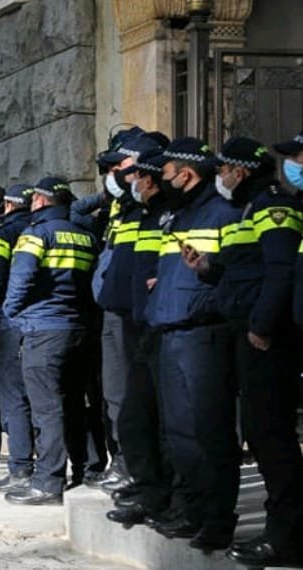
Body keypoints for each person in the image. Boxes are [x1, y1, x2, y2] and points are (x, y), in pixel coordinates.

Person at [181, 137, 303, 566]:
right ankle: (283, 530)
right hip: (247, 333)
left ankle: (286, 535)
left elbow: (281, 271)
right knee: (261, 433)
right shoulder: (248, 210)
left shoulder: (273, 207)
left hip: (265, 339)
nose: (219, 179)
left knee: (272, 437)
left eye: (223, 171)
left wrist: (261, 326)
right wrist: (208, 269)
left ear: (240, 171)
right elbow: (245, 272)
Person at [144, 137, 242, 551]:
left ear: (185, 173)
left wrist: (203, 300)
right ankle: (193, 510)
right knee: (180, 432)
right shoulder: (178, 216)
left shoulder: (225, 214)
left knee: (211, 432)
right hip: (170, 333)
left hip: (204, 335)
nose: (160, 179)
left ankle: (218, 518)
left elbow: (234, 275)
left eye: (165, 172)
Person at [3, 177, 98, 506]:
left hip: (43, 330)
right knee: (74, 404)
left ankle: (47, 482)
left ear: (41, 202)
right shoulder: (86, 237)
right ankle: (85, 469)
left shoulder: (35, 234)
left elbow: (22, 278)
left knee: (46, 409)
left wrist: (10, 312)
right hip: (78, 328)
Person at [103, 147, 183, 528]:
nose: (130, 183)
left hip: (164, 327)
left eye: (135, 176)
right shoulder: (143, 214)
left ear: (149, 179)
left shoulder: (171, 216)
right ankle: (148, 488)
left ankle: (171, 496)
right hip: (139, 323)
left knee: (167, 421)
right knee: (135, 418)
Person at [0, 183, 34, 492]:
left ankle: (21, 468)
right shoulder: (48, 229)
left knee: (14, 399)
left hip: (10, 325)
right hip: (47, 326)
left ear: (8, 206)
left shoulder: (2, 235)